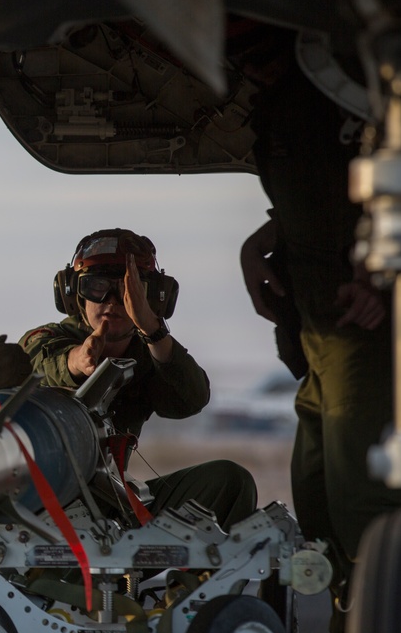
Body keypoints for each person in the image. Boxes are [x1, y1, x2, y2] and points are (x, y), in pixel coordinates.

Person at [237, 34, 401, 633]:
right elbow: (315, 196)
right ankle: (355, 629)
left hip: (361, 329)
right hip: (316, 331)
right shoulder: (285, 107)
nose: (243, 59)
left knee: (362, 502)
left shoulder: (356, 96)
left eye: (249, 39)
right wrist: (258, 245)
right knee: (316, 498)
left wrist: (385, 276)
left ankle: (385, 631)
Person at [19, 228, 257, 531]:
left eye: (131, 290)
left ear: (156, 297)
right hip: (47, 514)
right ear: (72, 293)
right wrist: (79, 361)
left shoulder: (150, 357)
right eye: (97, 286)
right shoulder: (47, 339)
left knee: (230, 482)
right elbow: (42, 362)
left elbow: (190, 400)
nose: (113, 301)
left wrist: (154, 331)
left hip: (114, 507)